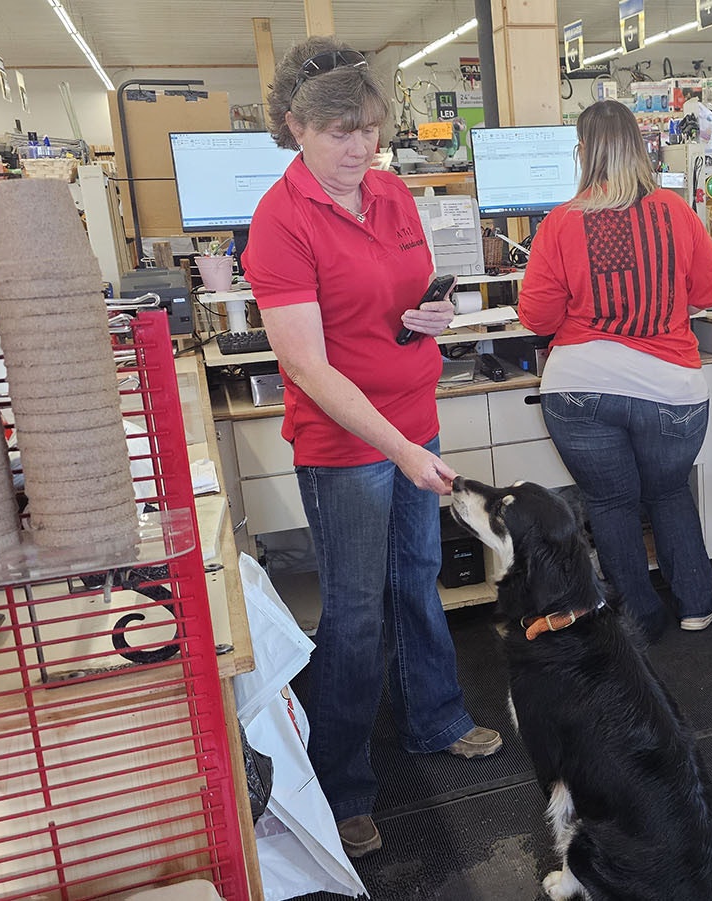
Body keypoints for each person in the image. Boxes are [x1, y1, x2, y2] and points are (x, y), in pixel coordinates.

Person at [241, 36, 501, 859]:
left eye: (369, 131)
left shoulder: (390, 192)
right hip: (347, 443)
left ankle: (436, 719)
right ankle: (342, 782)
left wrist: (430, 319)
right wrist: (400, 450)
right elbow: (311, 368)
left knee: (418, 580)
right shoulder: (279, 222)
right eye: (338, 132)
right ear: (296, 127)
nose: (358, 149)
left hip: (411, 418)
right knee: (354, 614)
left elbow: (399, 302)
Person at [518, 100, 712, 642]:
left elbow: (536, 317)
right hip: (671, 390)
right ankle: (697, 605)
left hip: (581, 387)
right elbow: (709, 292)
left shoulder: (559, 223)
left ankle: (638, 619)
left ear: (582, 153)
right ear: (639, 148)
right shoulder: (676, 213)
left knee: (609, 502)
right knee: (669, 491)